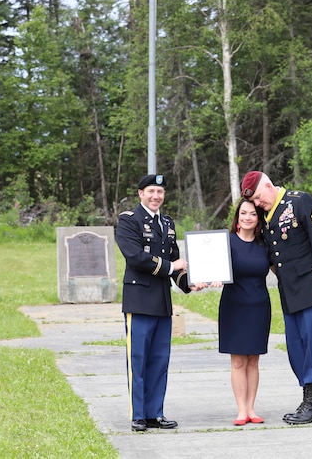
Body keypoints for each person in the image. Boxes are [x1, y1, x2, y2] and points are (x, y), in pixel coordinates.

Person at [241, 170, 312, 425]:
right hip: (289, 291)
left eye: (260, 199)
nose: (258, 204)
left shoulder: (299, 201)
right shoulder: (267, 216)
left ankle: (311, 402)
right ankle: (307, 398)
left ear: (270, 187)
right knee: (295, 348)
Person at [116, 174, 198, 432]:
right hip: (139, 300)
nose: (156, 196)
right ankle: (138, 415)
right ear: (141, 193)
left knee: (160, 360)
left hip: (162, 302)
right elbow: (136, 257)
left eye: (160, 192)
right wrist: (172, 266)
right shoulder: (128, 220)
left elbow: (175, 262)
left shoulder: (167, 223)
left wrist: (190, 282)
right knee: (138, 359)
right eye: (151, 191)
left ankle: (155, 413)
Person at [218, 198, 272, 426]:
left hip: (259, 306)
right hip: (233, 306)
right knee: (238, 361)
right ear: (237, 217)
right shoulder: (225, 242)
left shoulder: (266, 244)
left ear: (258, 218)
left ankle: (252, 408)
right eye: (243, 213)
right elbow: (212, 266)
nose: (247, 217)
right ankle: (241, 410)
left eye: (252, 214)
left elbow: (280, 270)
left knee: (253, 361)